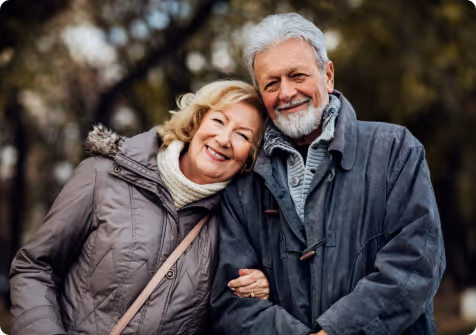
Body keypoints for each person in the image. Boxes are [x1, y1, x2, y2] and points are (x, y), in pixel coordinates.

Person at [210, 13, 445, 335]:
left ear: (328, 74)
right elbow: (232, 299)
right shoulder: (243, 182)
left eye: (297, 75)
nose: (286, 92)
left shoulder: (395, 149)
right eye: (271, 83)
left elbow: (416, 264)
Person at [9, 80, 271, 335]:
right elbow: (35, 268)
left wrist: (257, 288)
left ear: (251, 156)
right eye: (218, 121)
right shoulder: (103, 176)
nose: (224, 139)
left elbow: (228, 316)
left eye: (242, 135)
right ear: (196, 122)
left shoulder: (237, 224)